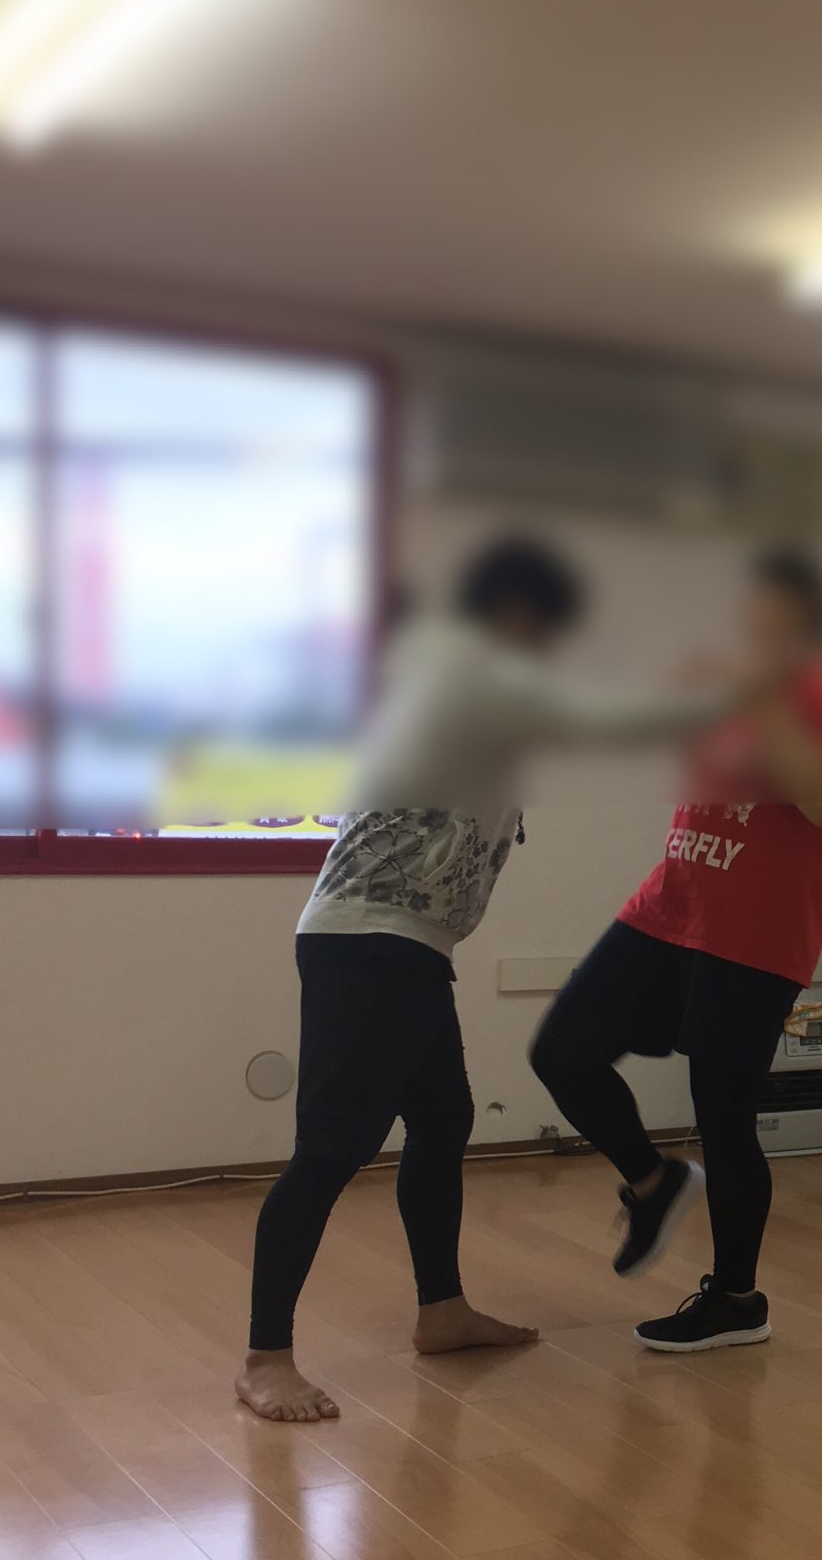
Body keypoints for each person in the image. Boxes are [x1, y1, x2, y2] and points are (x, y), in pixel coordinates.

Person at [236, 537, 726, 1424]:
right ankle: (266, 1357)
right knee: (332, 1150)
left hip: (412, 946)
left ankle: (443, 1310)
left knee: (442, 1120)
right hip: (365, 942)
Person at [528, 548, 822, 1352]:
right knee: (562, 1050)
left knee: (725, 1117)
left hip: (757, 936)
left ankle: (737, 1299)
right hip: (670, 907)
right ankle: (654, 1183)